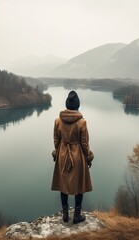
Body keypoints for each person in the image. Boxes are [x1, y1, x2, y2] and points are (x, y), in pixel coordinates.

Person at [51, 90, 94, 224]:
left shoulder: (58, 120)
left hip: (63, 154)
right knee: (79, 186)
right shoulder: (82, 122)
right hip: (78, 156)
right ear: (77, 106)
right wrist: (88, 157)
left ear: (67, 105)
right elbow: (85, 143)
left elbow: (56, 140)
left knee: (63, 184)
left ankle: (65, 215)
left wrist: (57, 154)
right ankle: (76, 216)